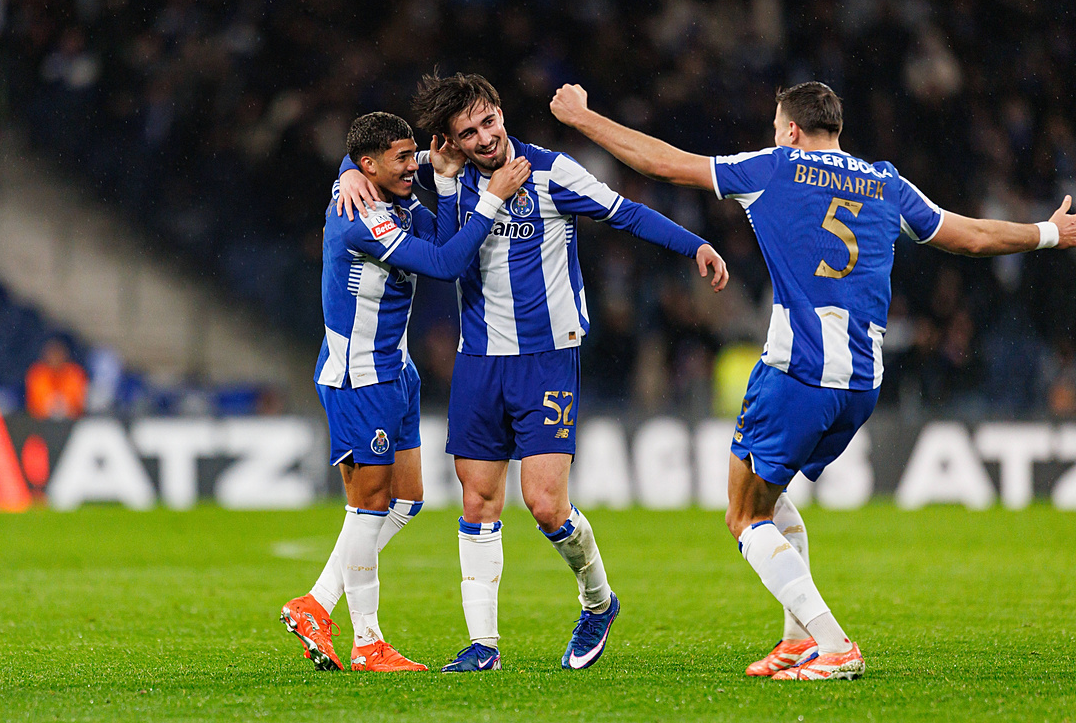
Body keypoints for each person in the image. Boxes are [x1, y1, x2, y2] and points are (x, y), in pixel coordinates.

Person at [550, 80, 1076, 680]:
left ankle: (833, 644)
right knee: (769, 501)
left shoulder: (775, 168)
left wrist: (585, 119)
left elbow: (665, 164)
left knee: (744, 517)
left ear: (792, 130)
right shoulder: (885, 180)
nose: (777, 136)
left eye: (778, 127)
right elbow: (971, 236)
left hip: (798, 371)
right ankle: (797, 639)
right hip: (861, 382)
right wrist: (1050, 232)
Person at [336, 72, 728, 671]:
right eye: (468, 132)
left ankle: (598, 601)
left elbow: (626, 214)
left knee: (545, 504)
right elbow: (429, 230)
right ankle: (483, 647)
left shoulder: (550, 171)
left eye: (489, 121)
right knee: (477, 500)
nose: (485, 137)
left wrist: (694, 244)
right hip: (479, 358)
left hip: (548, 355)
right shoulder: (450, 182)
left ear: (500, 113)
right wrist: (352, 170)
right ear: (451, 141)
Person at [281, 111, 529, 672]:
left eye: (414, 152)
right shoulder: (360, 215)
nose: (413, 163)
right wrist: (490, 199)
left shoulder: (384, 187)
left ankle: (316, 603)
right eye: (403, 156)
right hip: (360, 377)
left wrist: (418, 172)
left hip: (397, 369)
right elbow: (444, 262)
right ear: (371, 165)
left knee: (406, 500)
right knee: (367, 507)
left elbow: (436, 230)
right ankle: (367, 642)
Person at [25, 338, 88, 420]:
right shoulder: (37, 373)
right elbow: (34, 403)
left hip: (70, 422)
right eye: (52, 354)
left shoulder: (74, 372)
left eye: (58, 353)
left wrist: (64, 406)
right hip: (42, 422)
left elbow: (78, 401)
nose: (55, 357)